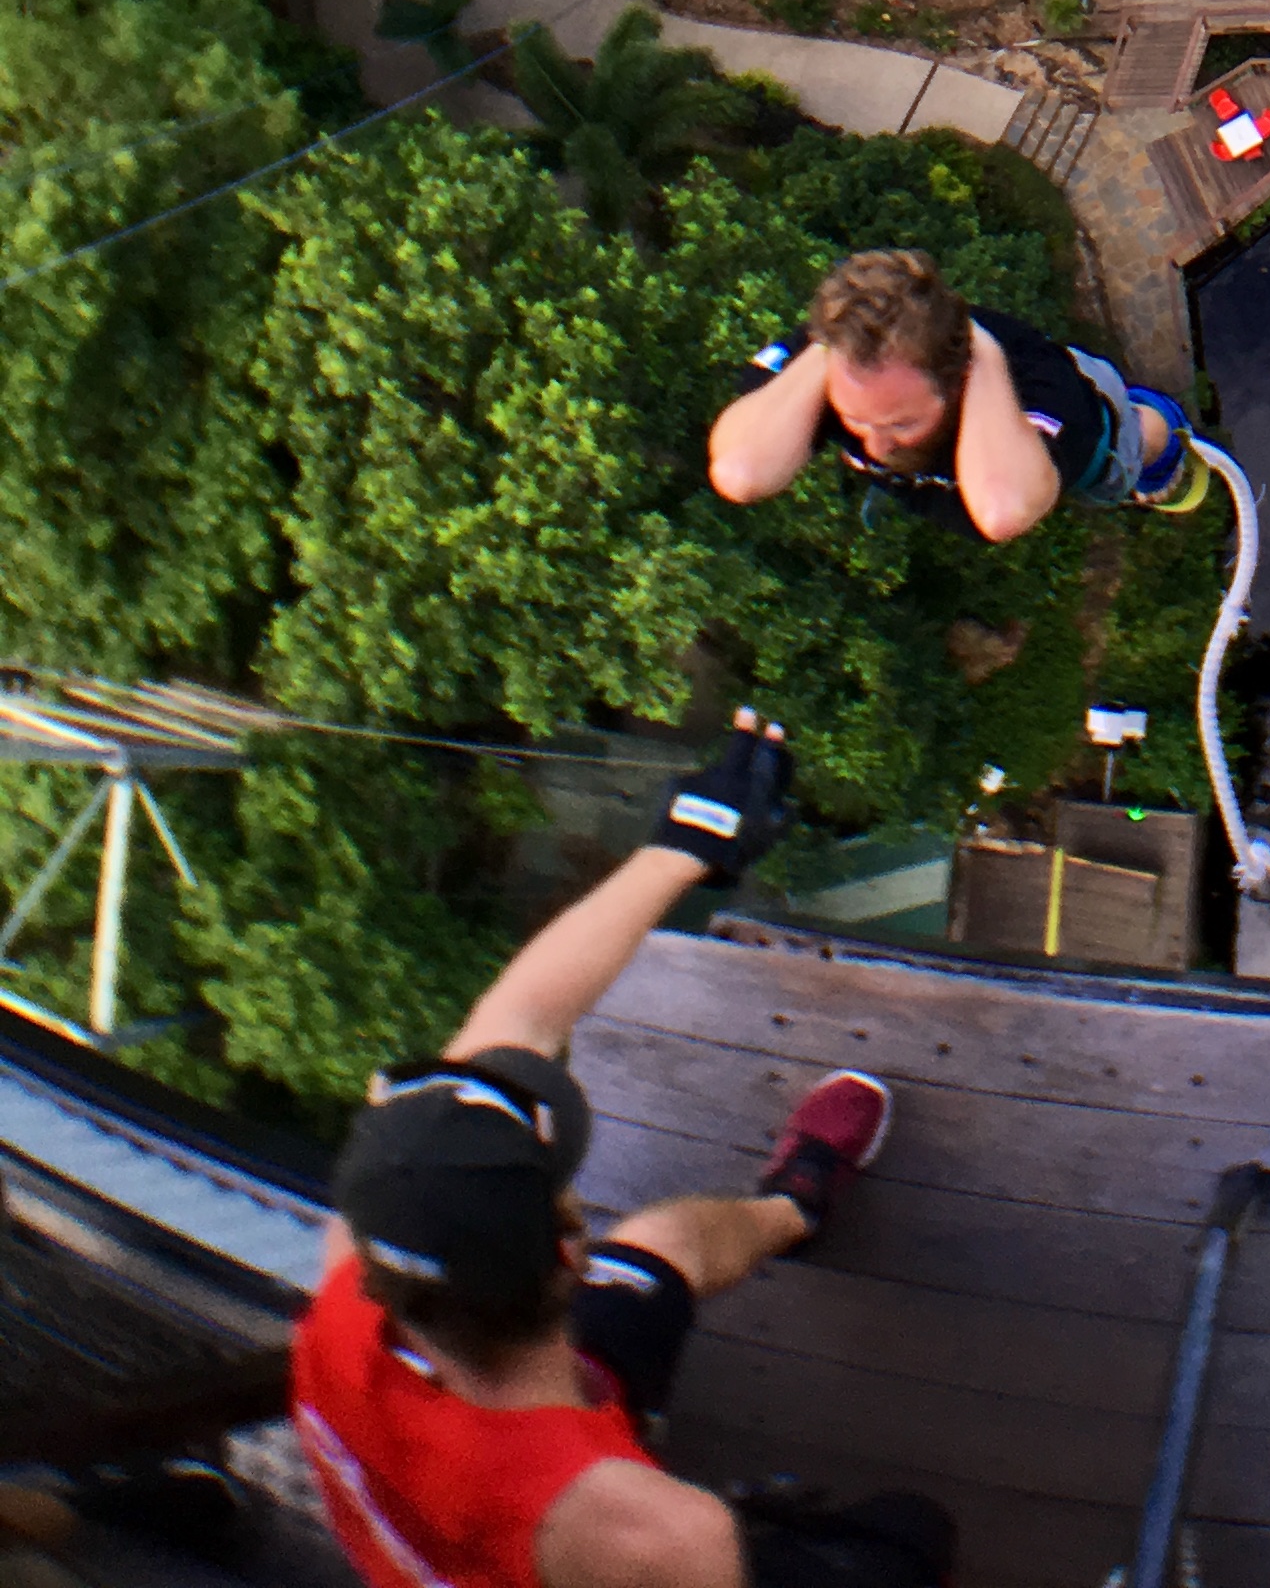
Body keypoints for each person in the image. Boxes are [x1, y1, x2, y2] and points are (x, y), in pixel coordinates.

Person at [291, 714, 948, 1588]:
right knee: (909, 1539)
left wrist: (685, 845)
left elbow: (513, 1026)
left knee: (668, 1244)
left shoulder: (352, 1295)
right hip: (573, 1526)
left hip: (505, 1439)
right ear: (570, 1258)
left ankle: (798, 1205)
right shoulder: (649, 1531)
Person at [707, 248, 1208, 547]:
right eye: (856, 420)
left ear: (957, 379)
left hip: (1096, 431)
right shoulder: (850, 359)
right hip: (961, 463)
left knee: (1137, 440)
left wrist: (982, 356)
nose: (877, 446)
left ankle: (1165, 439)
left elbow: (1004, 511)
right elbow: (739, 472)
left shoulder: (1039, 391)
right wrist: (827, 348)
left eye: (902, 423)